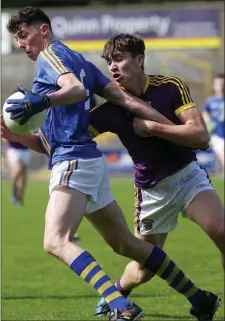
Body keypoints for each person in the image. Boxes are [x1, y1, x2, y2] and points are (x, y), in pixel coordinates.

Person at [2, 8, 219, 321]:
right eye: (17, 39)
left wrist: (41, 101)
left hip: (73, 162)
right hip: (86, 161)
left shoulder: (51, 57)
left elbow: (74, 90)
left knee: (55, 241)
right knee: (125, 244)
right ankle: (199, 297)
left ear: (44, 30)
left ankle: (121, 305)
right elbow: (126, 101)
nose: (22, 44)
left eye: (24, 35)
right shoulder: (84, 64)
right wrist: (18, 137)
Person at [82, 34, 223, 320]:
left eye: (119, 59)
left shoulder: (170, 87)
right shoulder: (109, 108)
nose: (113, 66)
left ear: (140, 60)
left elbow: (200, 136)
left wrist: (152, 126)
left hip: (188, 178)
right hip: (151, 193)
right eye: (109, 61)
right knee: (144, 269)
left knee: (221, 230)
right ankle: (117, 293)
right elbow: (70, 138)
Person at [202, 73, 224, 173]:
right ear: (214, 85)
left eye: (222, 84)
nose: (221, 86)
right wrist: (209, 124)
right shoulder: (210, 101)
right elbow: (205, 113)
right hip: (217, 135)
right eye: (219, 84)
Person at [3, 140, 32, 206]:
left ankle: (19, 197)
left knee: (22, 176)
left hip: (26, 149)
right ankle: (13, 192)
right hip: (13, 149)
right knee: (18, 169)